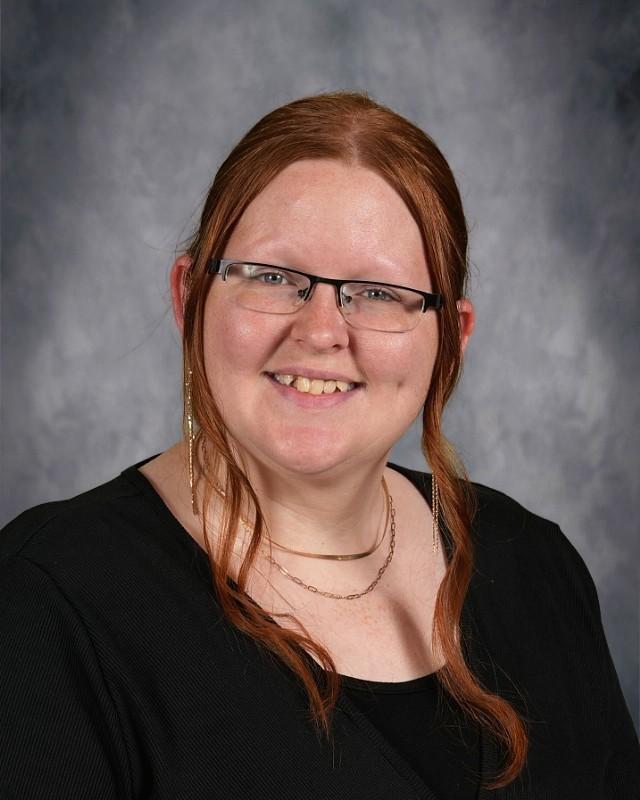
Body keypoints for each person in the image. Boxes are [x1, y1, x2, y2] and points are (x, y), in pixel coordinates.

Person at [1, 92, 638, 800]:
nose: (322, 331)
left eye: (378, 292)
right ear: (189, 297)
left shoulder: (537, 567)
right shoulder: (45, 598)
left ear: (453, 338)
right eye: (273, 278)